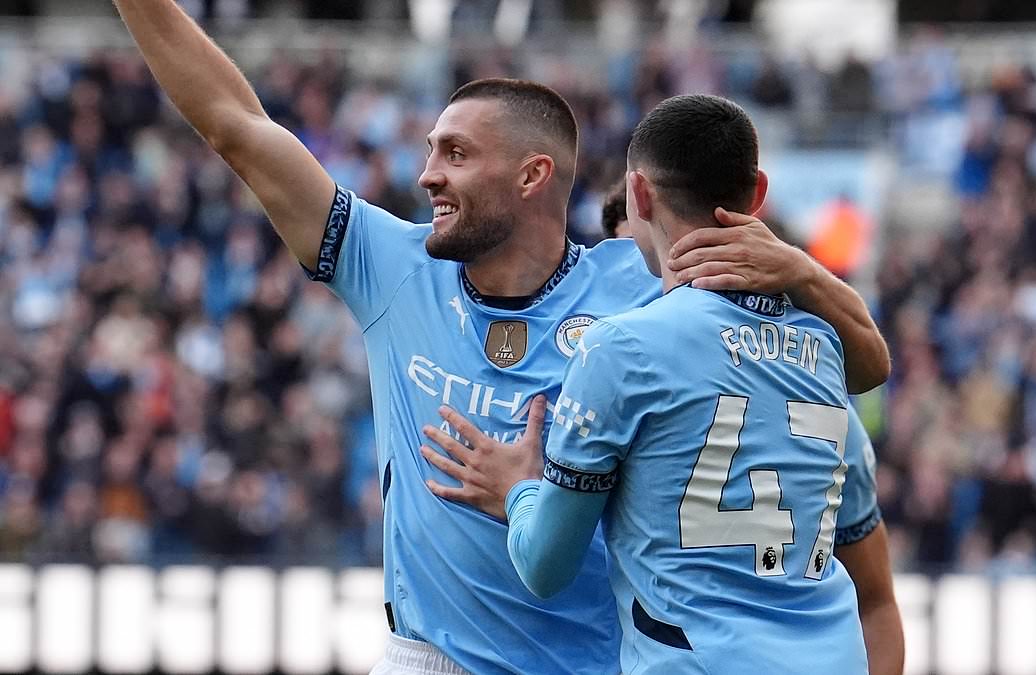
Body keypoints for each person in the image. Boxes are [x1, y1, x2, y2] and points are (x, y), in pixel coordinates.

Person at [113, 3, 891, 672]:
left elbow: (849, 361)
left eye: (455, 153)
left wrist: (802, 271)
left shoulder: (646, 288)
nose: (427, 176)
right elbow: (237, 128)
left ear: (531, 176)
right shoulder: (389, 264)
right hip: (432, 655)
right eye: (428, 151)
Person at [422, 95, 885, 673]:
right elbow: (875, 365)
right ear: (757, 193)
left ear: (638, 195)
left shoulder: (621, 347)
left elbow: (545, 568)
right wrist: (806, 269)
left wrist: (518, 490)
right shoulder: (822, 340)